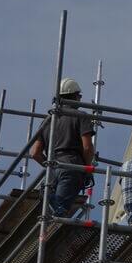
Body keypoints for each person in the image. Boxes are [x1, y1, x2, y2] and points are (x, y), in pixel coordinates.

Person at [29, 78, 95, 218]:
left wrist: (50, 166)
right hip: (72, 166)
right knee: (59, 213)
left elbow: (35, 153)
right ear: (75, 96)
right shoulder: (81, 116)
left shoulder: (48, 120)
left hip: (53, 168)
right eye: (79, 96)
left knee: (49, 210)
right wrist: (87, 169)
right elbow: (88, 147)